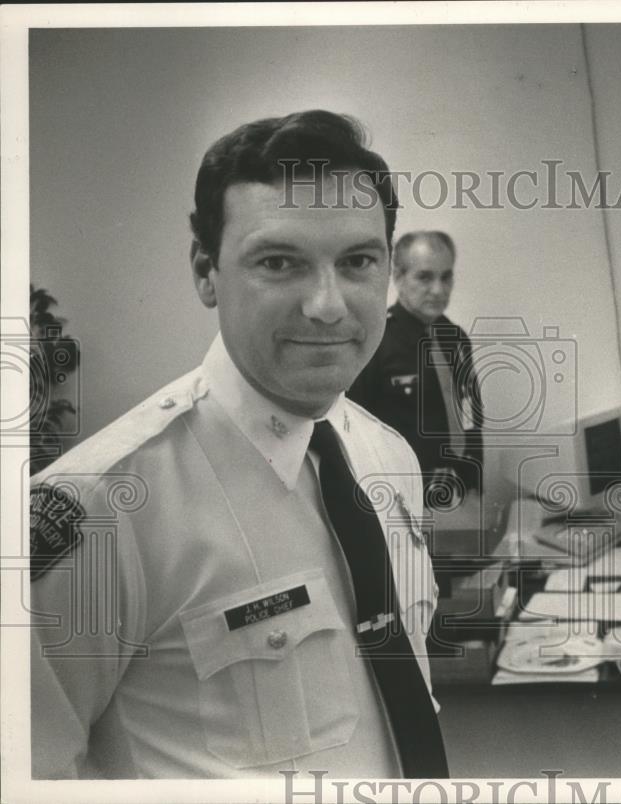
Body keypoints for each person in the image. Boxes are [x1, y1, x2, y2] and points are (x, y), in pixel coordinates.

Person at [29, 111, 448, 779]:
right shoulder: (98, 508)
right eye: (279, 262)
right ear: (206, 271)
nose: (328, 305)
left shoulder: (389, 458)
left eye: (358, 261)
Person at [348, 232, 483, 507]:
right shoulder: (376, 341)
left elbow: (470, 416)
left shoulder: (456, 338)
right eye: (424, 277)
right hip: (402, 501)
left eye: (446, 277)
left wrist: (475, 486)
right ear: (398, 277)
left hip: (460, 494)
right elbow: (354, 433)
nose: (438, 289)